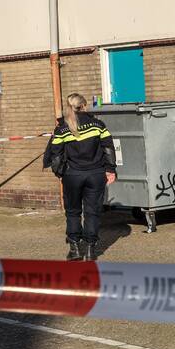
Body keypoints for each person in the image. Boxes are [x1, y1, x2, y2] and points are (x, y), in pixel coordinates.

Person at [43, 93, 117, 261]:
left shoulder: (62, 128)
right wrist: (110, 169)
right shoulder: (97, 125)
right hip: (96, 174)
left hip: (73, 175)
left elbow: (56, 153)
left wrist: (60, 172)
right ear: (84, 106)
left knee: (73, 212)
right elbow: (108, 148)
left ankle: (75, 249)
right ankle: (91, 250)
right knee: (92, 212)